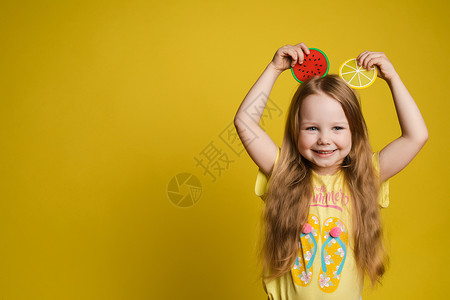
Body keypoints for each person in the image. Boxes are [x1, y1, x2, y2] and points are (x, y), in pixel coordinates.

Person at [233, 43, 428, 300]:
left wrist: (392, 78)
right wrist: (274, 69)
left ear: (354, 131)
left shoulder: (365, 176)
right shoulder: (283, 173)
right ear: (295, 131)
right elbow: (244, 121)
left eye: (337, 128)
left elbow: (416, 136)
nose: (324, 139)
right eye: (312, 128)